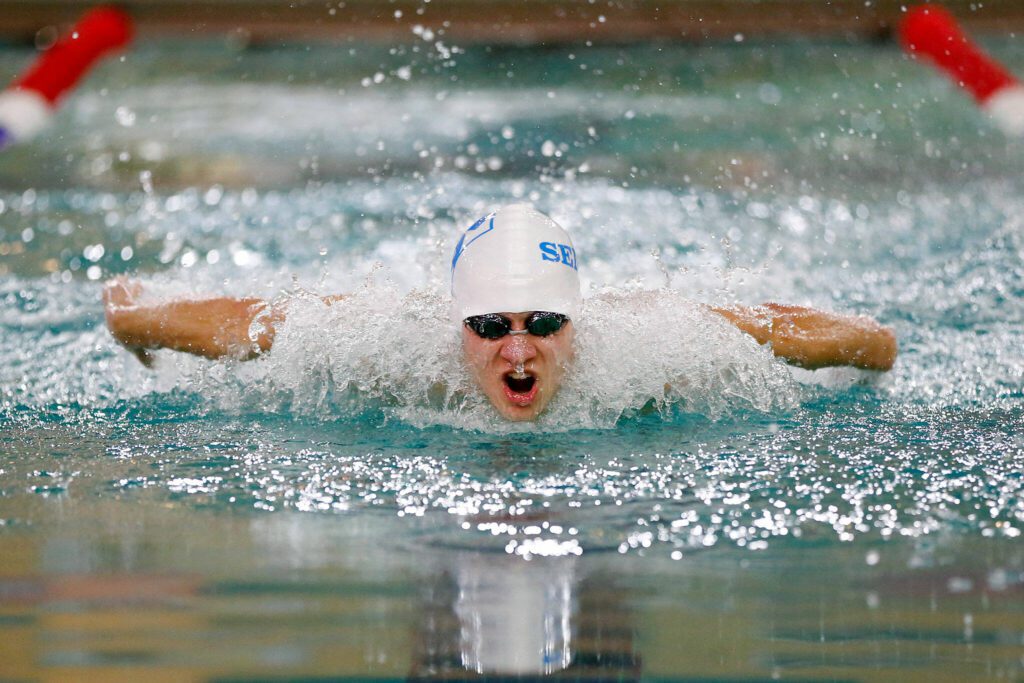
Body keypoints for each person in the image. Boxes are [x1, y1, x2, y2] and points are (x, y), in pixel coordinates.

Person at [103, 204, 897, 423]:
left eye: (543, 323)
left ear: (575, 322)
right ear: (458, 326)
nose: (518, 349)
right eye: (490, 326)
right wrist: (143, 320)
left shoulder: (649, 348)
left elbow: (771, 325)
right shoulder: (394, 346)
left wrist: (870, 344)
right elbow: (265, 322)